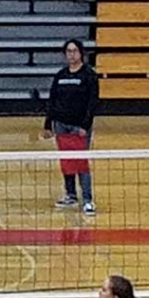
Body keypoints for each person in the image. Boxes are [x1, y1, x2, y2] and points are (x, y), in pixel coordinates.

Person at [42, 39, 100, 215]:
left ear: (81, 53)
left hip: (79, 127)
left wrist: (85, 125)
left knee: (81, 163)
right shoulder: (60, 76)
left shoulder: (89, 75)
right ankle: (71, 194)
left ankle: (88, 200)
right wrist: (48, 124)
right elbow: (52, 100)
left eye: (74, 51)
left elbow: (93, 102)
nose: (71, 54)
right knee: (67, 162)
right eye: (68, 51)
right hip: (61, 125)